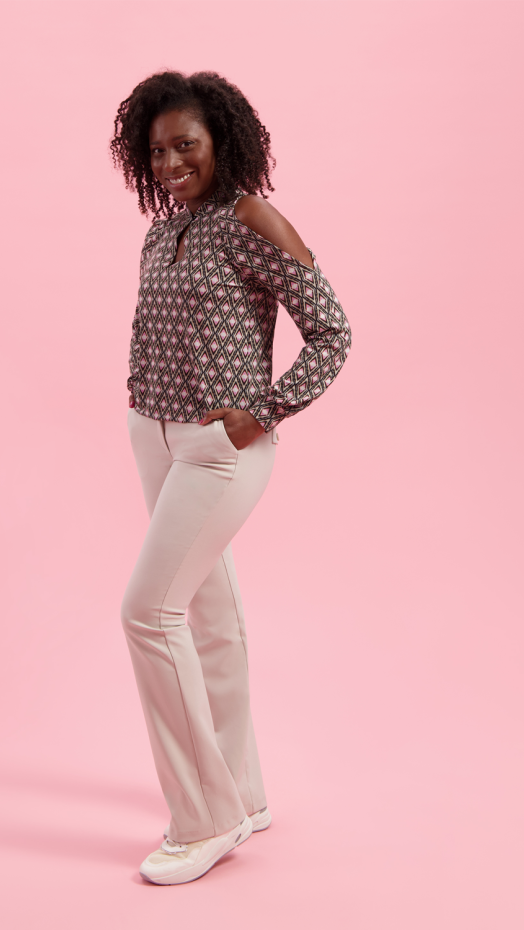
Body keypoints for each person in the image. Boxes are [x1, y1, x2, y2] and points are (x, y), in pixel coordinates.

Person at [111, 70, 351, 885]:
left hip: (220, 448)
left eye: (187, 145)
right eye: (157, 151)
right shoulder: (162, 231)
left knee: (148, 613)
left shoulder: (251, 218)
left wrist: (267, 410)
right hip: (155, 434)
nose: (171, 163)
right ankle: (243, 792)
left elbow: (332, 330)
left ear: (222, 141)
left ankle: (205, 818)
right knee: (207, 614)